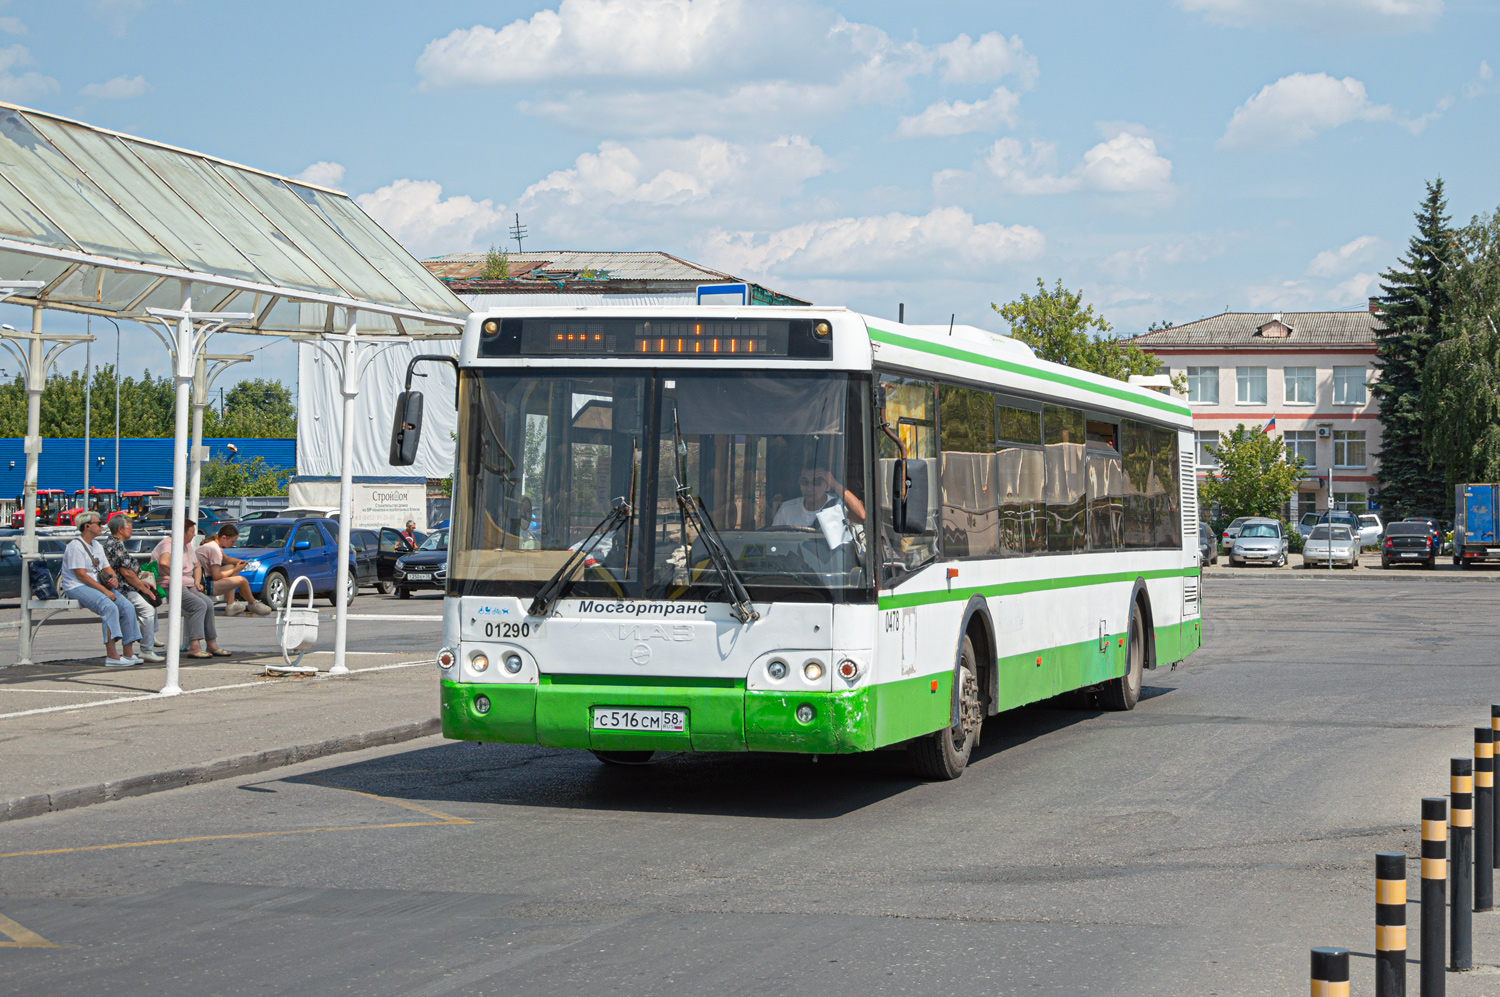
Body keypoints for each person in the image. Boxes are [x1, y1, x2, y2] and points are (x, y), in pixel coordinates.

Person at [61, 511, 144, 667]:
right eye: (98, 523)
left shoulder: (97, 545)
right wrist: (105, 591)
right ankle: (112, 656)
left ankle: (128, 652)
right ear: (87, 526)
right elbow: (81, 576)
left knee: (127, 606)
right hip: (77, 586)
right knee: (108, 607)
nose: (102, 526)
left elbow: (106, 567)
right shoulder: (75, 546)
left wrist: (112, 578)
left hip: (95, 585)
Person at [152, 519, 230, 659]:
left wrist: (197, 582)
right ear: (182, 532)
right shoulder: (168, 544)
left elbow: (197, 565)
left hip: (187, 584)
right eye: (192, 532)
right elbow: (163, 562)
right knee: (198, 605)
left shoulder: (186, 545)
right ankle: (194, 646)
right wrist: (176, 575)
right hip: (171, 584)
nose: (194, 535)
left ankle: (211, 644)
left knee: (208, 604)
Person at [100, 513, 165, 663]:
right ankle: (146, 649)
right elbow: (126, 572)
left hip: (125, 587)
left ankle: (149, 637)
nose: (132, 530)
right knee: (148, 609)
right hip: (121, 589)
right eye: (130, 527)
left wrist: (142, 584)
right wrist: (144, 589)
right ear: (120, 529)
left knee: (151, 603)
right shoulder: (115, 544)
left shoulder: (115, 543)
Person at [196, 524, 271, 616]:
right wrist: (236, 569)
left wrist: (240, 562)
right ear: (224, 537)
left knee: (231, 567)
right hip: (205, 586)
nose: (233, 544)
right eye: (232, 541)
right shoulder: (214, 550)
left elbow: (226, 559)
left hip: (204, 581)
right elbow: (216, 576)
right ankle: (252, 603)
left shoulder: (213, 545)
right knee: (242, 581)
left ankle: (231, 605)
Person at [771, 464, 866, 528]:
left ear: (827, 486)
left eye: (816, 482)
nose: (809, 488)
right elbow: (775, 542)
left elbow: (860, 516)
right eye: (805, 482)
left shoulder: (838, 506)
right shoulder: (786, 510)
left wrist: (835, 485)